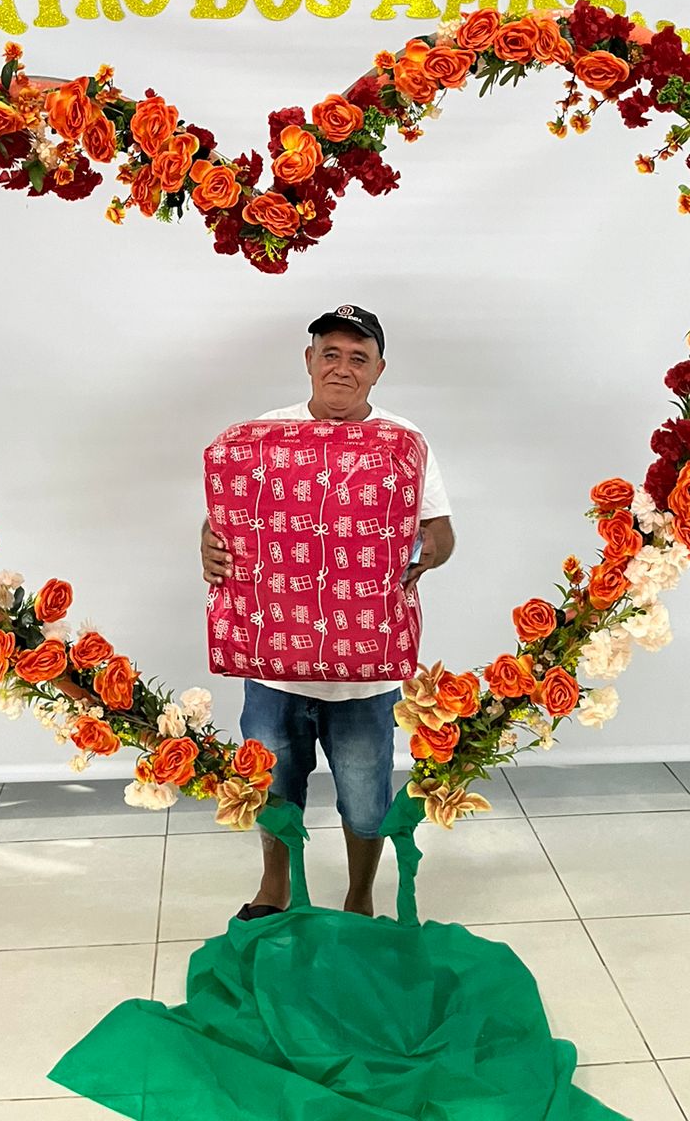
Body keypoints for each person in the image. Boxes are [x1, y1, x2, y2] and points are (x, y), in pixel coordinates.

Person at [201, 304, 454, 919]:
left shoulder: (404, 442)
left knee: (366, 799)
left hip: (365, 670)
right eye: (330, 354)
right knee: (272, 786)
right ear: (309, 360)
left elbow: (441, 534)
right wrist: (208, 543)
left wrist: (417, 553)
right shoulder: (263, 435)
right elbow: (230, 521)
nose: (342, 368)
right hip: (273, 665)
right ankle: (275, 889)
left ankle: (359, 897)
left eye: (358, 358)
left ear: (379, 369)